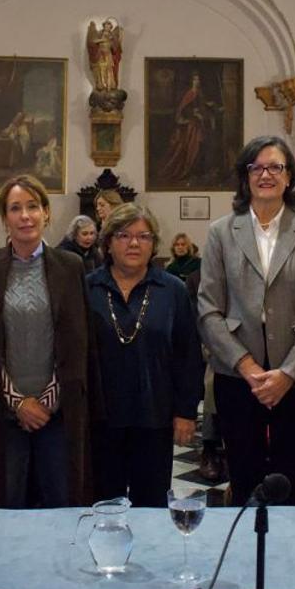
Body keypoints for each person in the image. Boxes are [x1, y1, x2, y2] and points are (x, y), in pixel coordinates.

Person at [0, 175, 102, 507]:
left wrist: (47, 400)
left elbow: (78, 343)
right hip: (3, 415)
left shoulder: (70, 266)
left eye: (33, 206)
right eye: (15, 208)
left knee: (62, 505)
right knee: (6, 505)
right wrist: (19, 403)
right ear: (4, 218)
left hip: (58, 414)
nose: (25, 216)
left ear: (46, 213)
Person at [197, 135, 295, 505]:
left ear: (290, 178)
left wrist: (287, 374)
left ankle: (292, 557)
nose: (266, 174)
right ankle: (245, 555)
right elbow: (208, 309)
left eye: (276, 167)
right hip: (239, 378)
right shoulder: (222, 232)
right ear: (245, 176)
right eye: (257, 167)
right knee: (245, 475)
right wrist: (249, 367)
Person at [87, 203, 203, 506]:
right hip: (101, 419)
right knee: (104, 506)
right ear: (108, 243)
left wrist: (186, 411)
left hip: (155, 417)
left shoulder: (173, 290)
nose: (134, 243)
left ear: (154, 245)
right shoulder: (87, 288)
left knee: (151, 506)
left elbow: (188, 354)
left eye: (144, 236)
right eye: (124, 235)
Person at [161, 71, 209, 182]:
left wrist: (205, 109)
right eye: (195, 79)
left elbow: (202, 106)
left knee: (199, 146)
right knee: (191, 147)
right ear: (192, 81)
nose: (198, 81)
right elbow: (183, 109)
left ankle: (196, 172)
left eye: (199, 79)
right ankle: (188, 171)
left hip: (198, 125)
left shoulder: (199, 93)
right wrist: (194, 113)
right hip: (190, 125)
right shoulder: (190, 94)